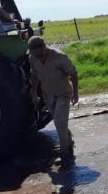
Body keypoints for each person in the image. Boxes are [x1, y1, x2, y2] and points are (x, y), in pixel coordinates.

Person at [27, 36, 79, 168]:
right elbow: (34, 75)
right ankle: (69, 143)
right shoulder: (33, 58)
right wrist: (33, 92)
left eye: (39, 54)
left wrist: (76, 94)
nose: (37, 58)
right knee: (60, 123)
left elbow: (73, 74)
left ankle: (64, 155)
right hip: (48, 96)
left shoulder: (59, 57)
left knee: (60, 122)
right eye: (34, 55)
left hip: (63, 94)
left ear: (43, 47)